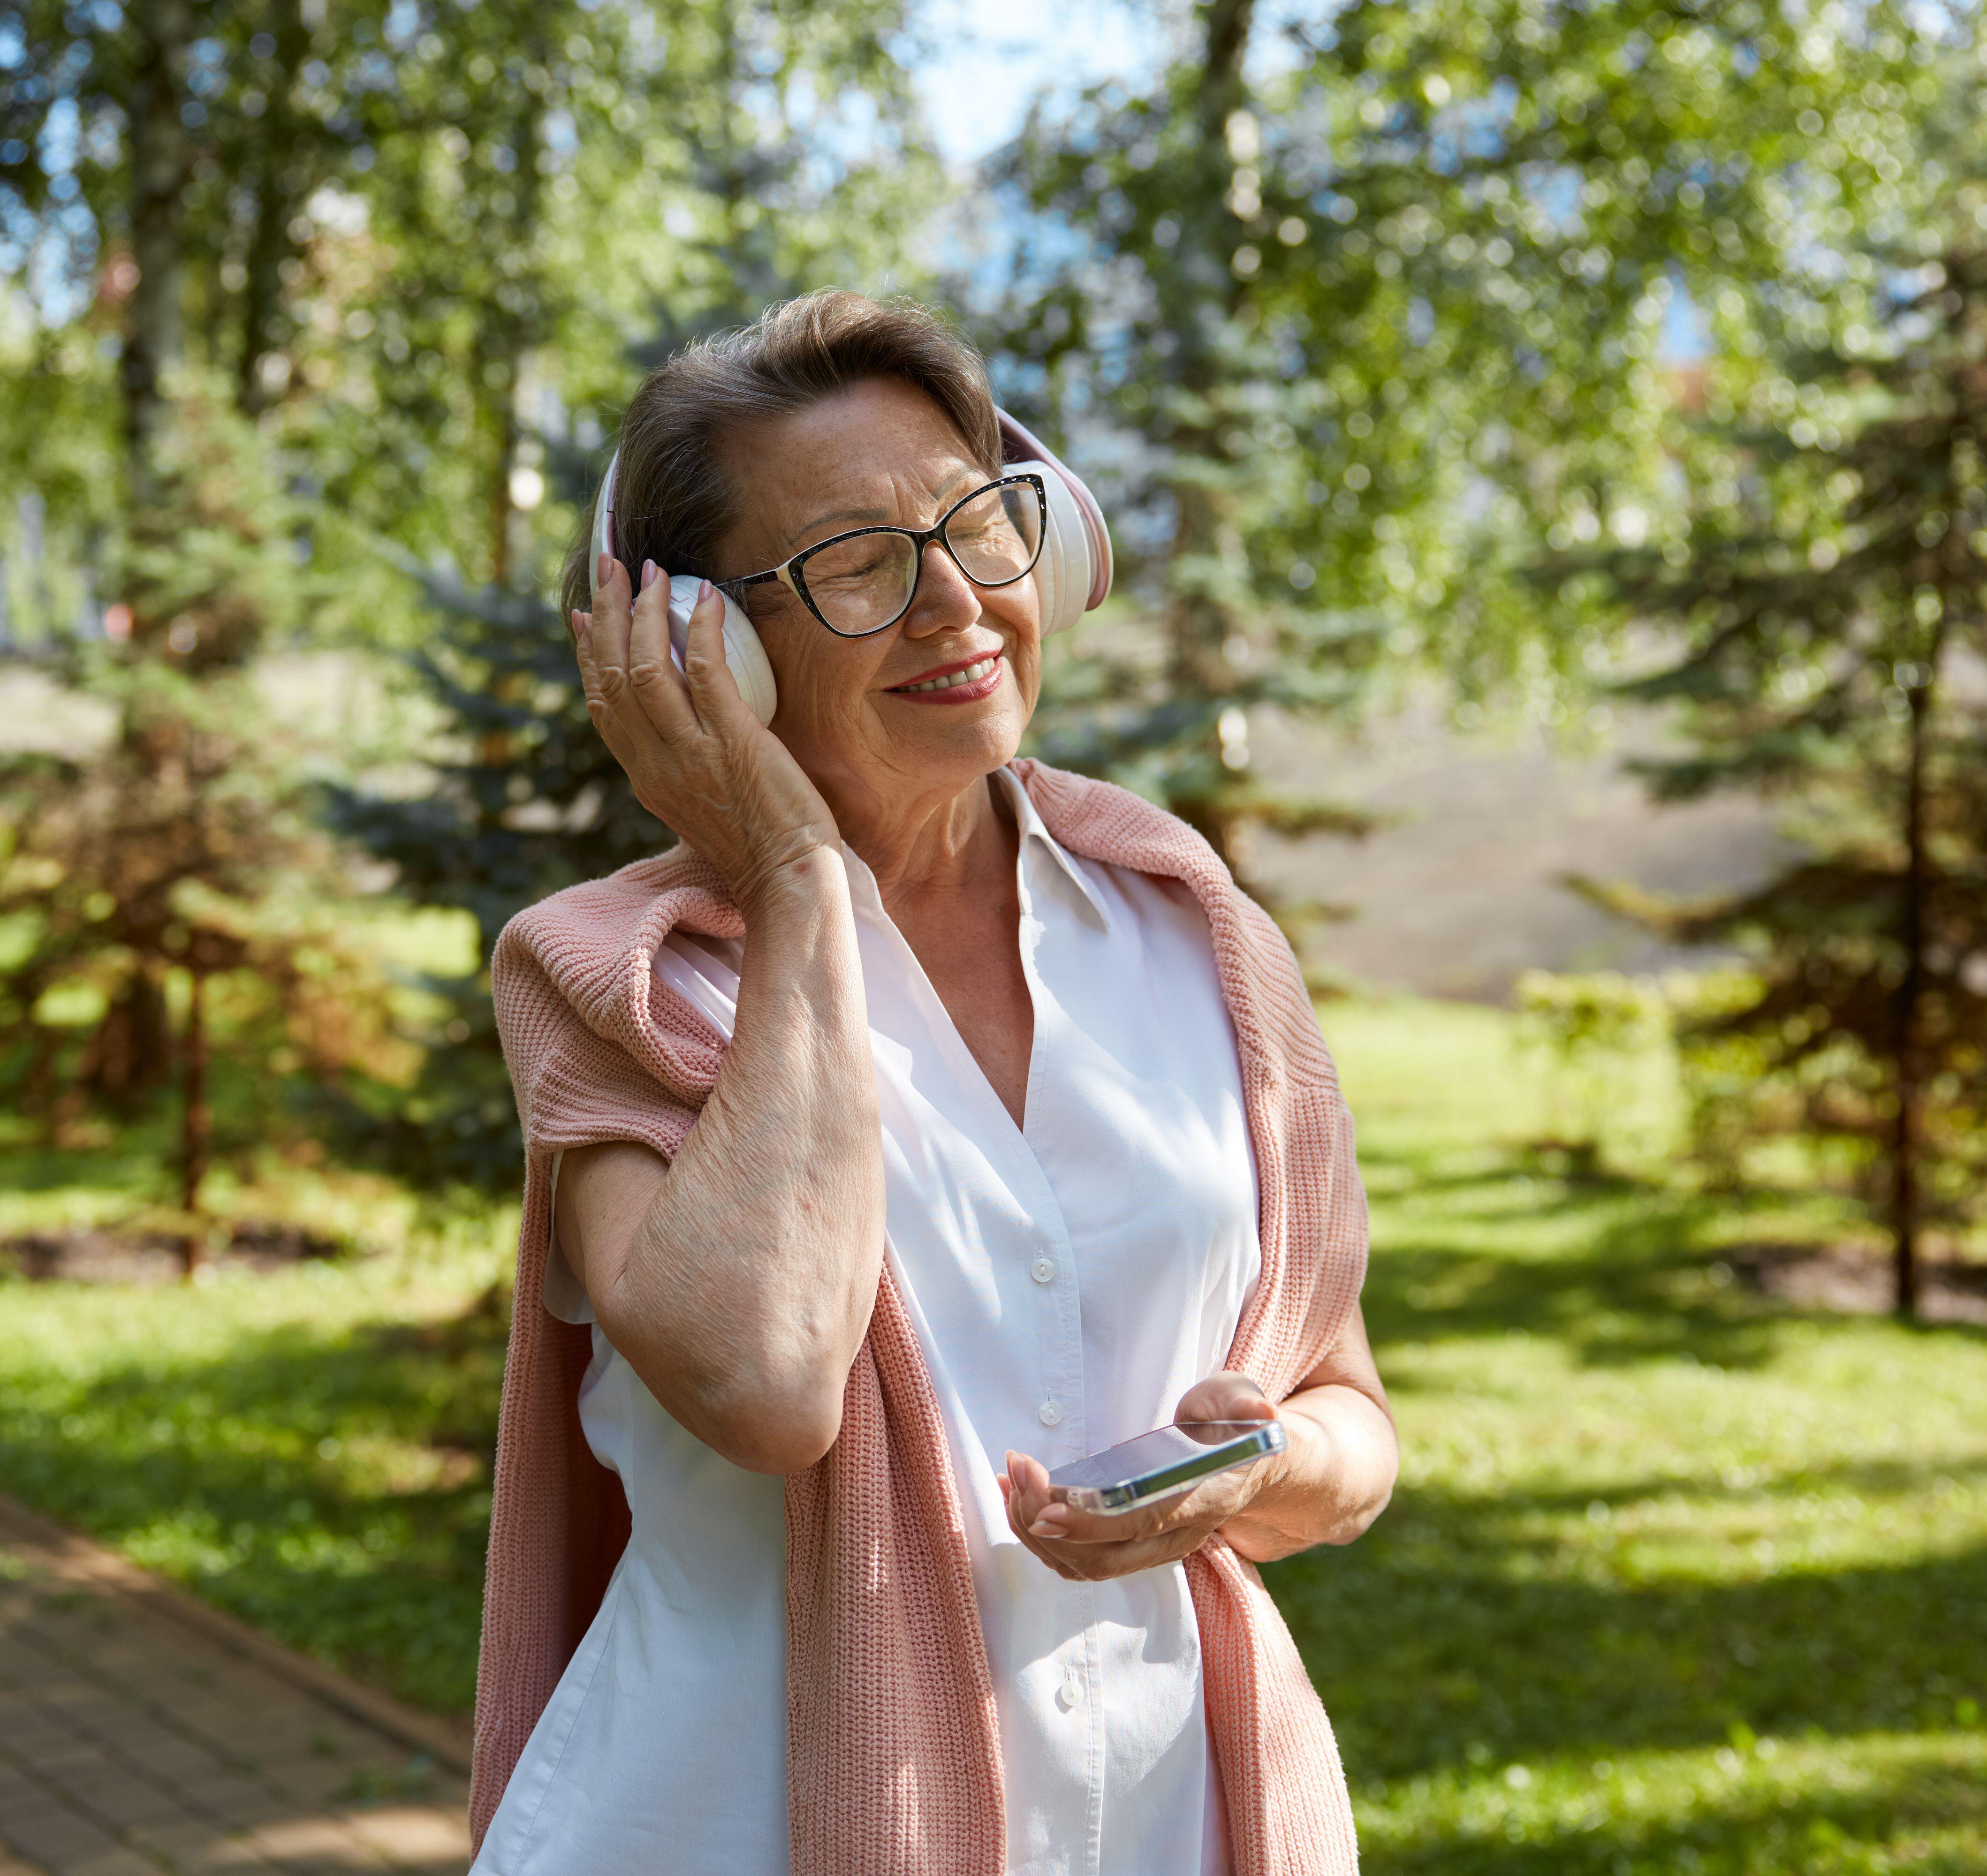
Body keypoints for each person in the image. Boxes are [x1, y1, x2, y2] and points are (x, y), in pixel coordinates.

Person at [469, 291, 1397, 1876]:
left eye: (980, 526)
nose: (956, 603)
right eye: (854, 565)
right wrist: (792, 874)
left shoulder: (1201, 937)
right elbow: (762, 1384)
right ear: (703, 642)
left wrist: (1252, 1468)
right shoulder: (613, 976)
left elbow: (1350, 1425)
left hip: (1167, 1826)